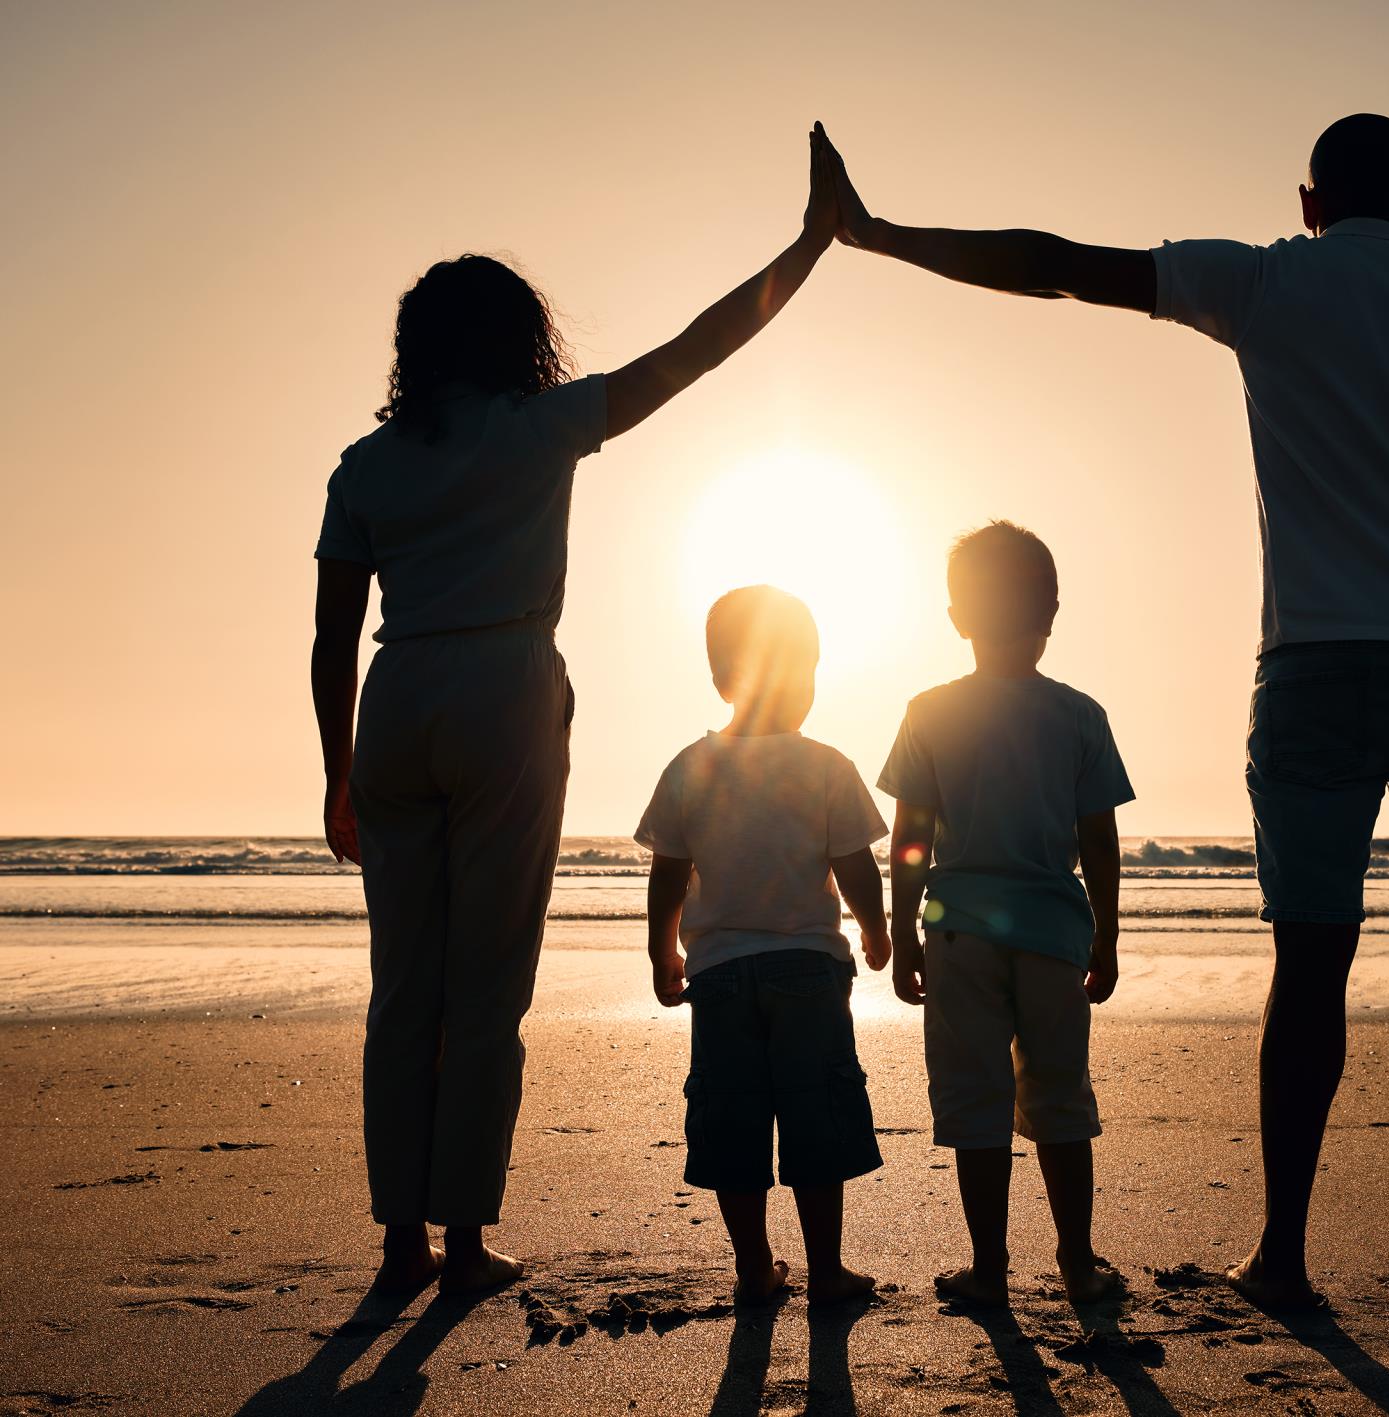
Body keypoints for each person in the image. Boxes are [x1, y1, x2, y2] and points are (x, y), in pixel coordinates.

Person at [818, 115, 1389, 1318]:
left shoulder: (1267, 277)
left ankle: (1284, 1251)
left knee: (1312, 962)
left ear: (1309, 197)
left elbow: (1057, 260)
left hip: (1318, 667)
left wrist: (878, 234)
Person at [309, 124, 844, 1296]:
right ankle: (459, 1242)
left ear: (414, 350)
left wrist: (337, 770)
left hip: (397, 697)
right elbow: (697, 349)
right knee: (488, 982)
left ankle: (399, 1238)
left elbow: (329, 635)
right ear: (518, 341)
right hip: (502, 691)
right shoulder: (541, 426)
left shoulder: (364, 464)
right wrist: (808, 247)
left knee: (405, 985)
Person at [880, 522, 1133, 1307]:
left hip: (958, 931)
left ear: (958, 615)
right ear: (1051, 610)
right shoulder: (1079, 714)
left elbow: (911, 837)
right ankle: (1077, 1261)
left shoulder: (930, 711)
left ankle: (990, 1268)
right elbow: (1099, 838)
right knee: (1060, 1095)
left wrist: (901, 928)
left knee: (975, 1099)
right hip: (1054, 932)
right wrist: (1109, 935)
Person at [636, 586, 890, 1305]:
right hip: (808, 967)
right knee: (816, 1114)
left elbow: (669, 870)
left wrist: (663, 950)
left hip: (719, 975)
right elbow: (854, 864)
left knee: (733, 1118)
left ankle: (754, 1268)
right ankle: (827, 1270)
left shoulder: (691, 764)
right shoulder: (826, 764)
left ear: (721, 676)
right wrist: (876, 928)